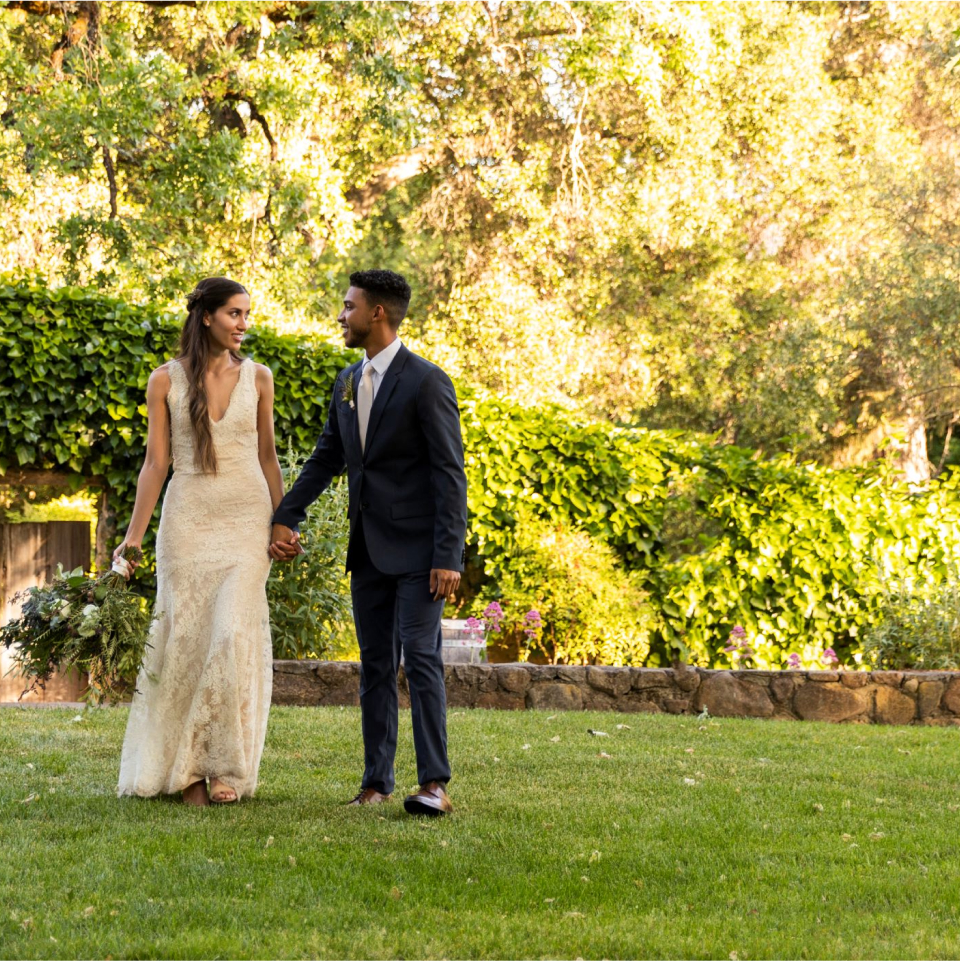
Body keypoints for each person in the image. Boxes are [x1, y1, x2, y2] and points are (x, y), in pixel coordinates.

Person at [270, 269, 468, 816]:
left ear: (376, 313)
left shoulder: (427, 381)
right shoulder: (346, 383)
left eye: (348, 305)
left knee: (422, 660)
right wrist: (285, 516)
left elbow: (450, 475)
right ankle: (376, 781)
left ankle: (434, 784)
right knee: (374, 665)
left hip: (422, 555)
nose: (341, 315)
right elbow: (326, 459)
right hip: (369, 552)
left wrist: (448, 555)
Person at [116, 277, 285, 806]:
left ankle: (225, 766)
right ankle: (188, 772)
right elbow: (155, 463)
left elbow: (268, 458)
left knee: (232, 635)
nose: (243, 324)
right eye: (235, 313)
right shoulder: (164, 381)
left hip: (245, 523)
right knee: (188, 641)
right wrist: (133, 540)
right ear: (207, 316)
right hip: (187, 523)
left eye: (247, 314)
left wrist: (284, 522)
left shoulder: (260, 378)